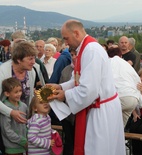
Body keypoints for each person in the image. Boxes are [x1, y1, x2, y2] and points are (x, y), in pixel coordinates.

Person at [48, 19, 125, 155]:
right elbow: (78, 79)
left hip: (101, 110)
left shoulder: (91, 50)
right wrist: (60, 87)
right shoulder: (85, 49)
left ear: (76, 33)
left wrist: (64, 95)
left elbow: (89, 90)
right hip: (97, 106)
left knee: (98, 149)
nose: (66, 43)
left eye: (66, 38)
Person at [0, 41, 38, 123]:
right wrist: (11, 112)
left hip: (23, 118)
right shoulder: (2, 71)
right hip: (4, 119)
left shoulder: (31, 71)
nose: (34, 62)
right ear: (18, 60)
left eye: (34, 58)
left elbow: (30, 95)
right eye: (30, 59)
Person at [107, 47, 142, 127]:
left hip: (119, 97)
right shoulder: (126, 64)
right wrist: (141, 102)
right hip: (132, 99)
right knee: (120, 129)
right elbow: (137, 79)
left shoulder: (109, 62)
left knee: (109, 127)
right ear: (121, 56)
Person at [0, 77, 28, 155]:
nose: (19, 94)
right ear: (7, 93)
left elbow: (26, 124)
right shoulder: (5, 108)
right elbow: (6, 130)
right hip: (11, 148)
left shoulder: (24, 106)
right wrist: (22, 141)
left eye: (20, 91)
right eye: (16, 92)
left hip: (23, 147)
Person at [58, 49, 76, 155]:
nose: (73, 57)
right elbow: (61, 84)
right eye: (72, 55)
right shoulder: (66, 70)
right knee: (68, 141)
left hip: (80, 112)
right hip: (66, 112)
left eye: (76, 55)